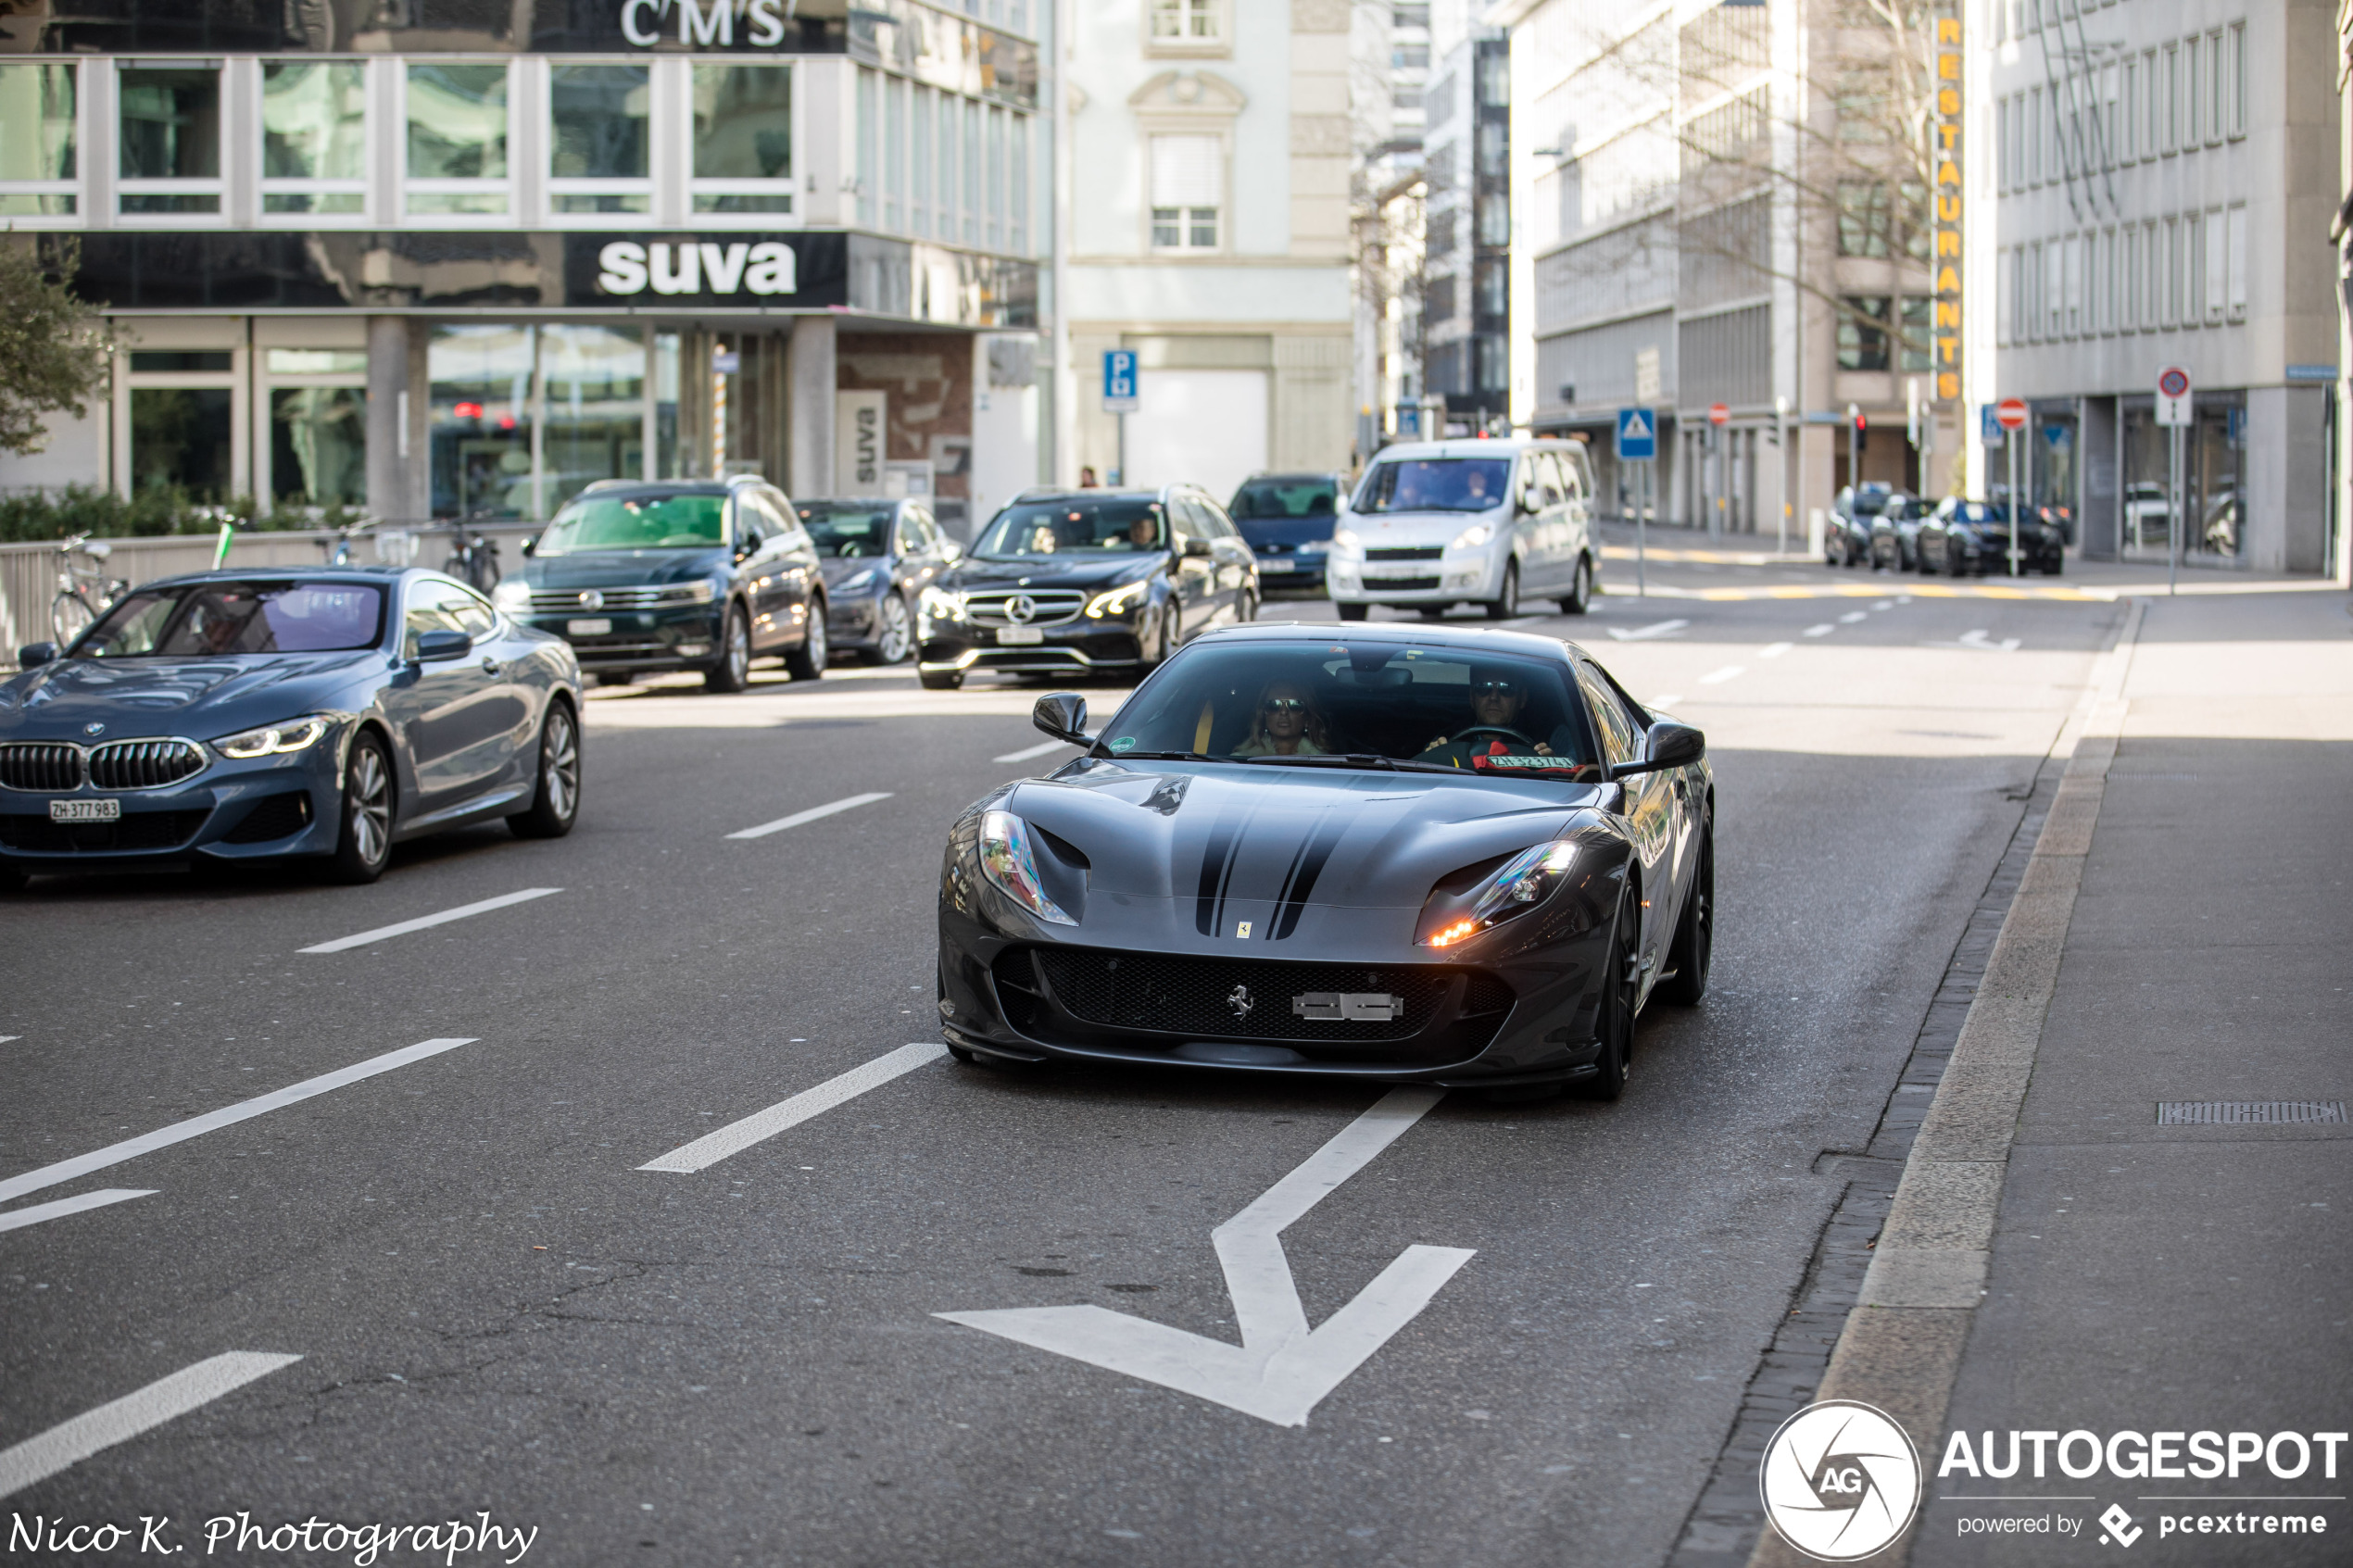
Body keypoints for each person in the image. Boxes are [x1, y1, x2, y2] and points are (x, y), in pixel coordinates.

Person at [1417, 671, 1590, 771]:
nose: (1493, 697)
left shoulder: (1552, 734)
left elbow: (1583, 775)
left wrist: (1554, 766)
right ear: (1472, 697)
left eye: (1506, 689)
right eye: (1483, 688)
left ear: (1522, 699)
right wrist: (1432, 756)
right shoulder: (1448, 737)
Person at [1231, 680, 1329, 757]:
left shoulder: (1326, 765)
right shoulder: (1240, 762)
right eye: (1273, 705)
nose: (1283, 712)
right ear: (1263, 716)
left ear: (1307, 719)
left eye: (1294, 705)